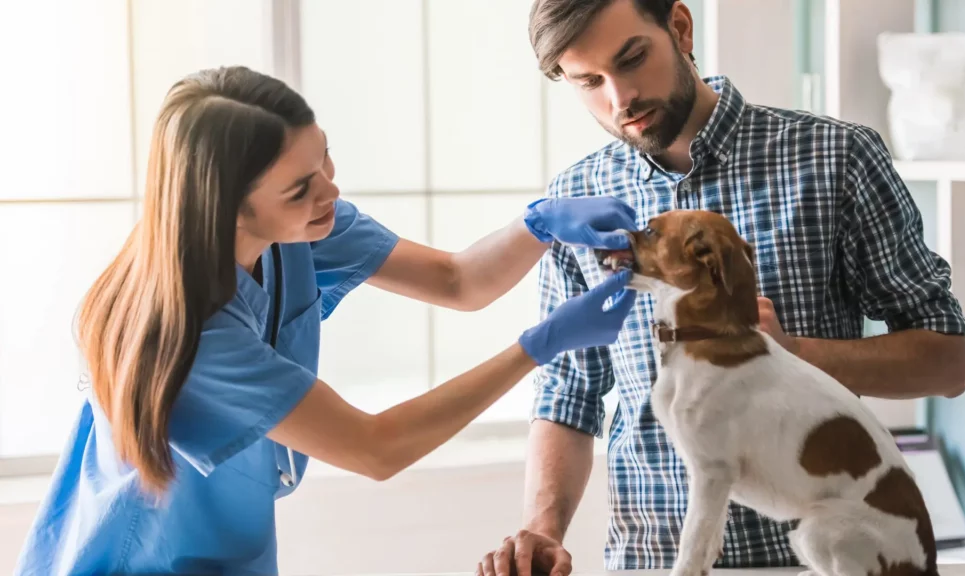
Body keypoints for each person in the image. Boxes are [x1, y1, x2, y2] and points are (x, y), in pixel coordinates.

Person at [14, 66, 642, 576]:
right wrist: (541, 345)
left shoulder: (298, 227)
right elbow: (376, 448)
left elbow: (458, 281)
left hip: (232, 554)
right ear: (227, 206)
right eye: (299, 187)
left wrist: (537, 223)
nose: (329, 193)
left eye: (325, 161)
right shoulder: (187, 335)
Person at [478, 0, 965, 575]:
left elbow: (949, 362)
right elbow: (570, 390)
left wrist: (798, 354)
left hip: (812, 560)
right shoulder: (576, 198)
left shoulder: (835, 160)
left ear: (680, 27)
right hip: (649, 562)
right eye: (588, 81)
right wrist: (543, 529)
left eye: (633, 58)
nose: (620, 101)